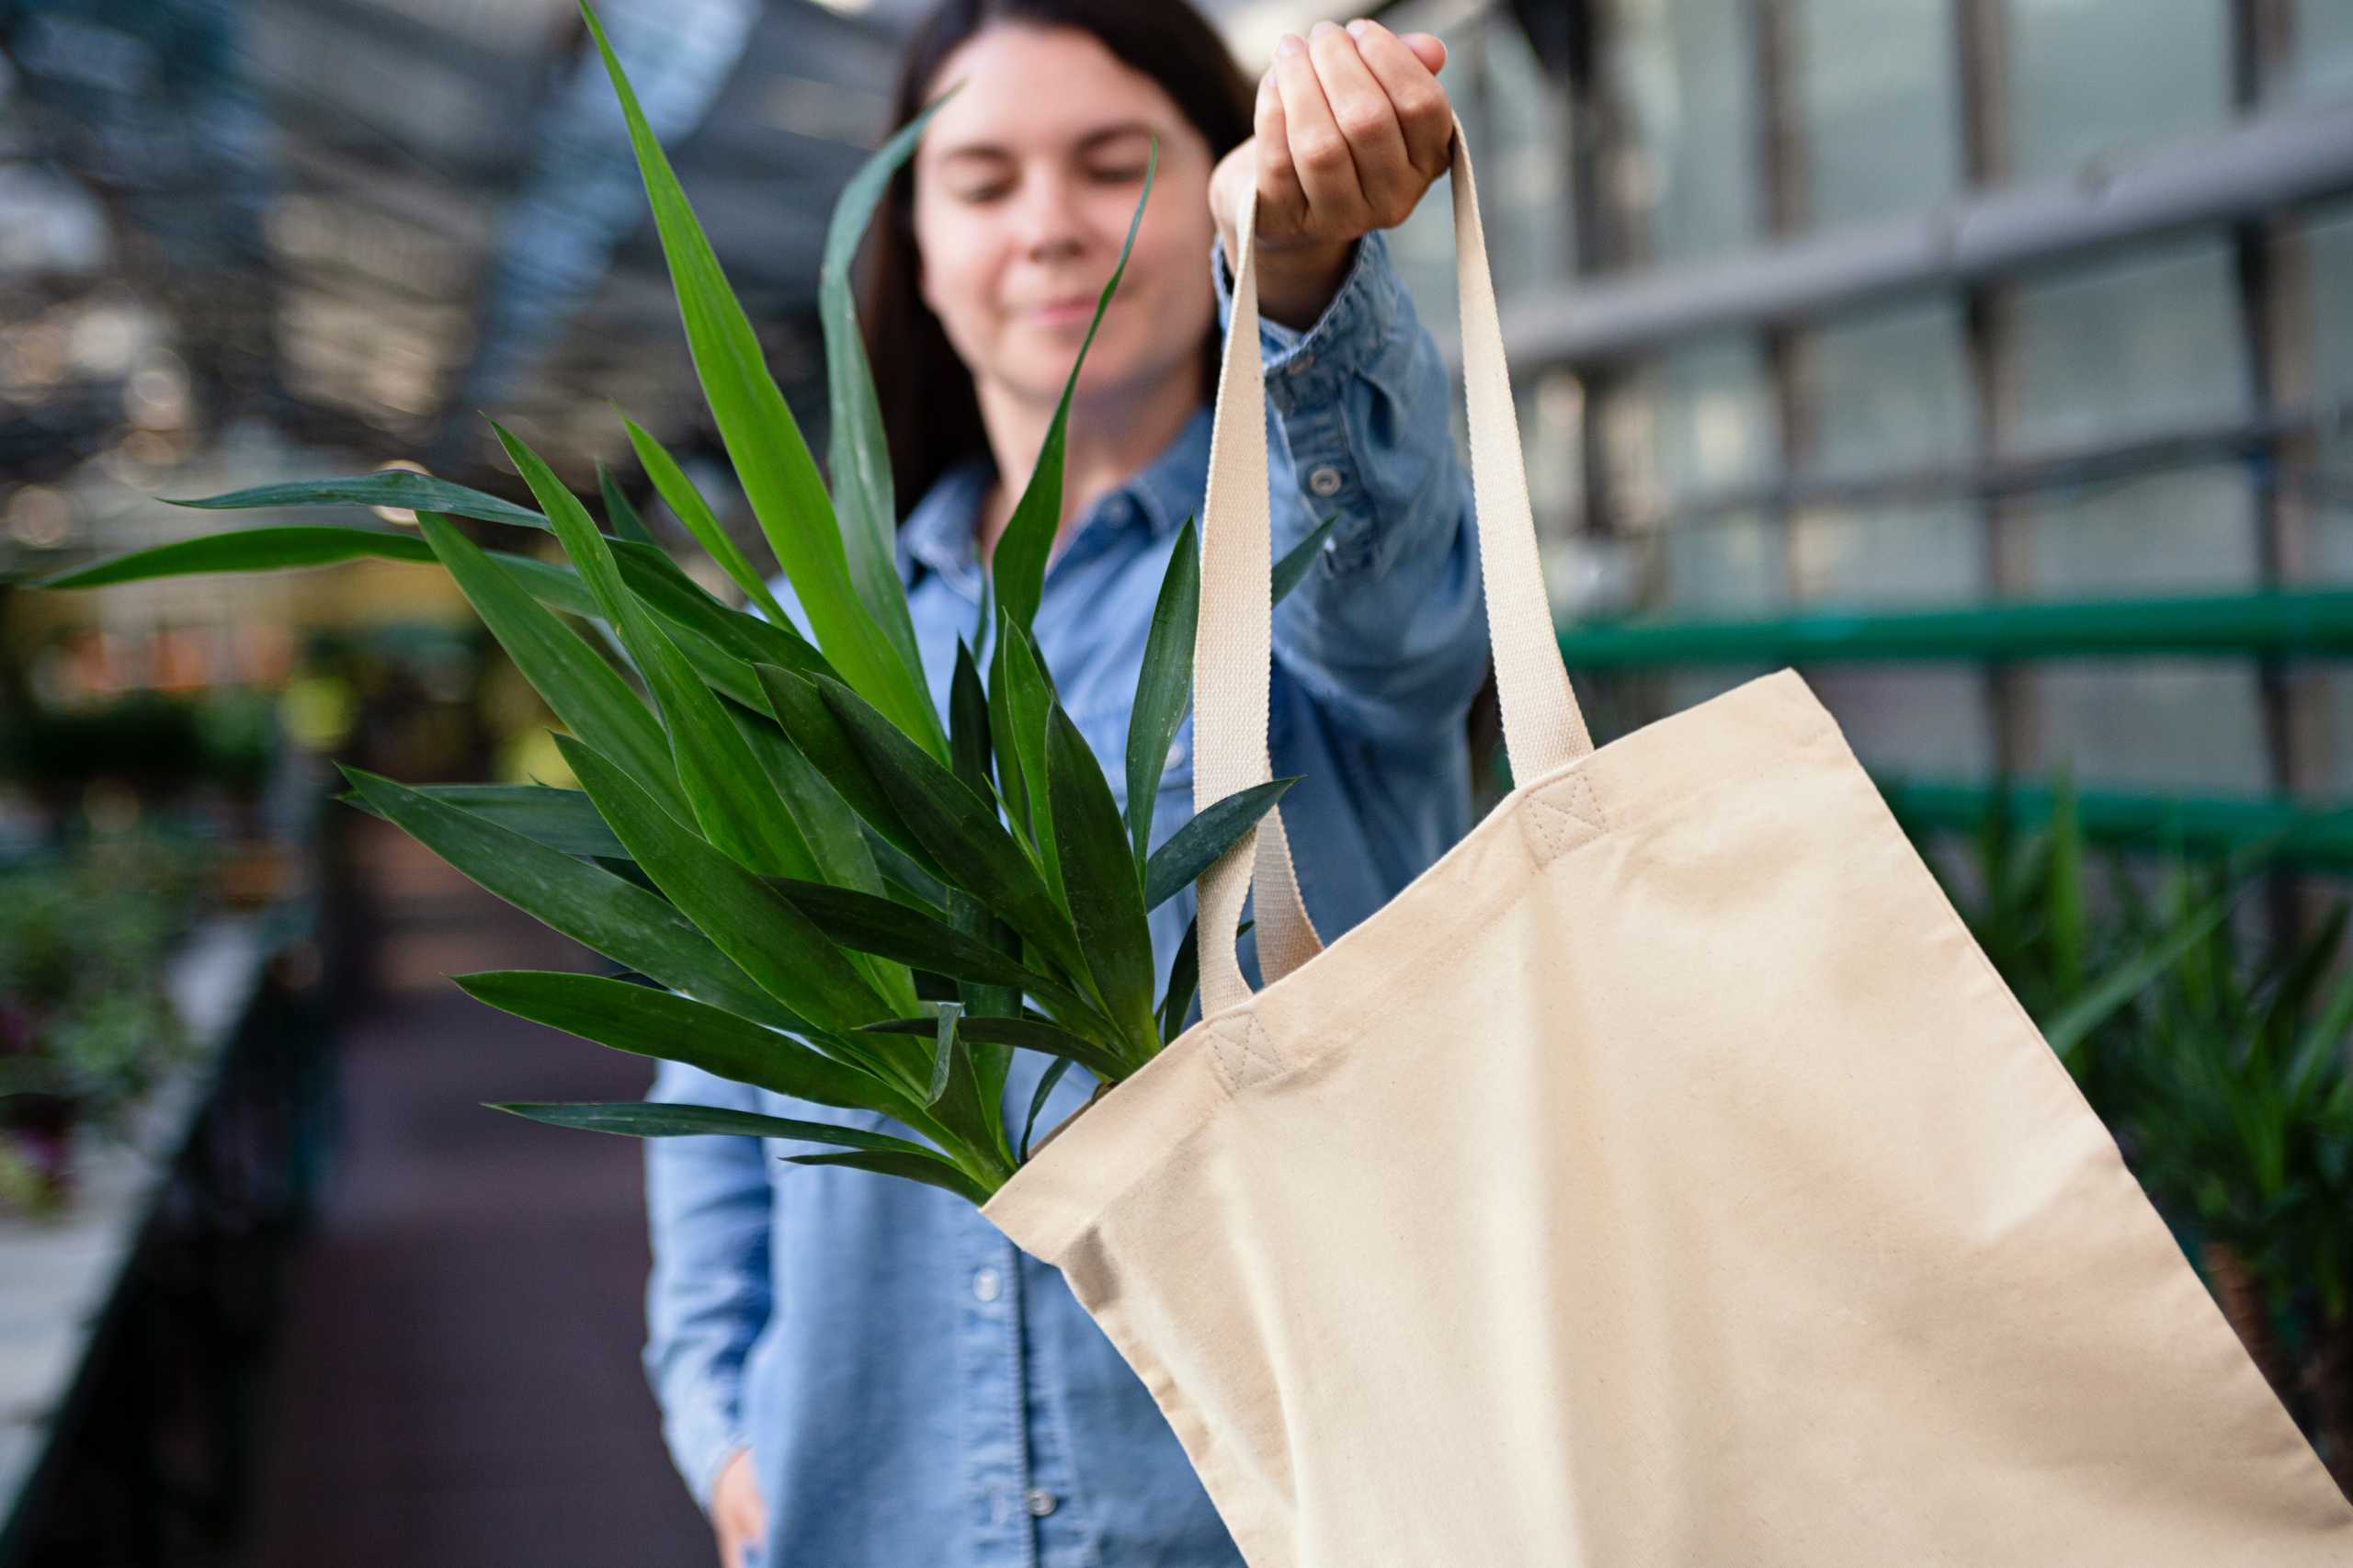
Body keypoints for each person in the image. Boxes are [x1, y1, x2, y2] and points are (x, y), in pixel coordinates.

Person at [642, 5, 1490, 1563]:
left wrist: (1296, 273)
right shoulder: (799, 651)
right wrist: (728, 1420)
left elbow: (1396, 597)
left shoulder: (1301, 569)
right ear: (909, 235)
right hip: (877, 1503)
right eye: (980, 180)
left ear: (1217, 182)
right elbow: (721, 1086)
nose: (1048, 227)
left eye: (1116, 167)